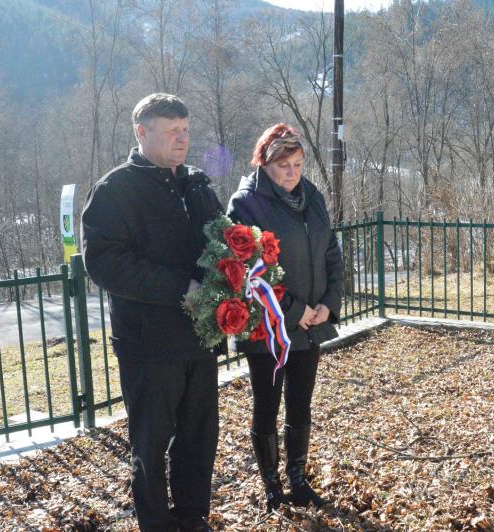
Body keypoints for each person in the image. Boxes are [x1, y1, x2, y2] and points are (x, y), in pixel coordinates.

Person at [82, 93, 223, 532]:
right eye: (172, 131)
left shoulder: (196, 185)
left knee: (199, 439)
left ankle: (193, 518)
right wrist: (181, 288)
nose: (182, 139)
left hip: (200, 337)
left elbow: (222, 242)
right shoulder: (115, 190)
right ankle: (158, 525)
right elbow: (105, 263)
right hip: (148, 343)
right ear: (141, 133)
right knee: (151, 445)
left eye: (186, 130)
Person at [226, 123, 343, 512]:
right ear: (264, 163)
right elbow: (248, 272)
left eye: (297, 164)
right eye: (283, 166)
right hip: (267, 328)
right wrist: (295, 310)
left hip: (310, 325)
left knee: (300, 403)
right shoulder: (246, 204)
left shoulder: (312, 197)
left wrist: (328, 302)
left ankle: (297, 479)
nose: (292, 173)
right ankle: (272, 486)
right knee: (267, 404)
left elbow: (331, 253)